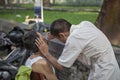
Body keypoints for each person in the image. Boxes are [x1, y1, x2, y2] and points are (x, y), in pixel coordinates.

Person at [35, 19, 120, 80]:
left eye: (59, 39)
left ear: (62, 35)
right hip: (111, 66)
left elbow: (61, 66)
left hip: (104, 72)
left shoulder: (74, 39)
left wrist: (46, 53)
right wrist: (50, 36)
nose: (61, 42)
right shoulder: (85, 24)